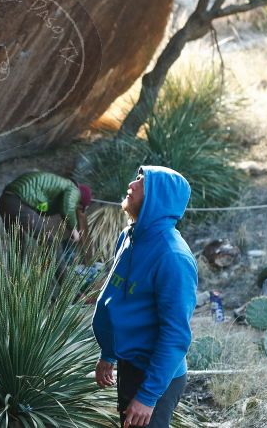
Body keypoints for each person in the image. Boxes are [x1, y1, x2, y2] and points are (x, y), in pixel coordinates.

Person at [91, 166, 197, 428]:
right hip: (130, 363)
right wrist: (109, 354)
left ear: (158, 198)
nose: (132, 184)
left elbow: (176, 334)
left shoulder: (173, 258)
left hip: (156, 376)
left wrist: (148, 396)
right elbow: (119, 300)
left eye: (142, 182)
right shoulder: (129, 237)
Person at [0, 172, 93, 263]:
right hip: (18, 201)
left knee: (18, 246)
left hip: (5, 200)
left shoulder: (59, 187)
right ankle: (64, 280)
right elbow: (68, 206)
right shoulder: (74, 190)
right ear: (80, 201)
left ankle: (15, 278)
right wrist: (73, 229)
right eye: (79, 207)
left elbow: (42, 207)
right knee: (51, 244)